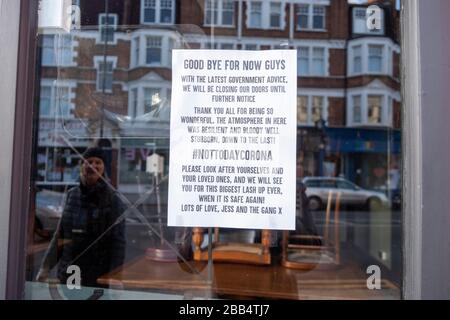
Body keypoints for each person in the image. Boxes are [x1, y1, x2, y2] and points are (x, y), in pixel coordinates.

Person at [36, 147, 126, 287]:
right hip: (69, 275)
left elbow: (118, 243)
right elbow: (60, 235)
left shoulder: (113, 199)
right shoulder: (72, 195)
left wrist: (115, 277)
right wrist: (45, 267)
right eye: (88, 161)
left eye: (98, 162)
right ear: (81, 166)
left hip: (98, 277)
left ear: (104, 168)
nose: (93, 165)